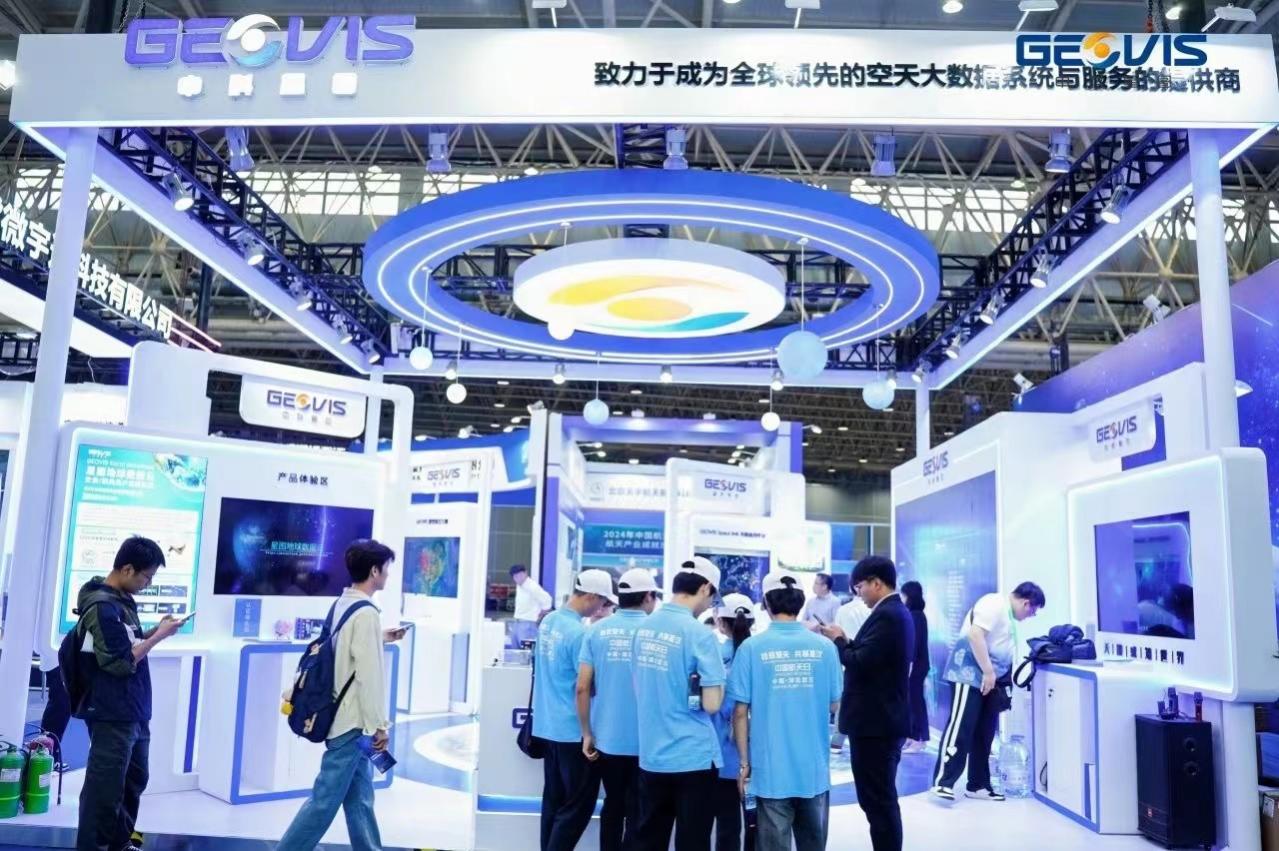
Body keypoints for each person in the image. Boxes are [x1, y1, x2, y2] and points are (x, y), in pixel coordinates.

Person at [278, 539, 407, 851]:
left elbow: (342, 649)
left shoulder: (343, 603)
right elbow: (369, 678)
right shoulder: (367, 614)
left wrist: (380, 637)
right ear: (374, 571)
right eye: (386, 568)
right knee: (324, 801)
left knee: (360, 798)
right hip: (352, 722)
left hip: (343, 717)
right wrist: (380, 726)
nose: (388, 575)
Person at [74, 537, 185, 851]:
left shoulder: (120, 601)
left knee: (134, 779)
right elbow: (120, 661)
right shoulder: (102, 606)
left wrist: (154, 632)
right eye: (146, 577)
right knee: (104, 790)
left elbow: (127, 642)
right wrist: (158, 638)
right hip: (112, 711)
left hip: (132, 708)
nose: (148, 584)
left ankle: (119, 843)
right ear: (126, 569)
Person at [731, 573, 842, 851]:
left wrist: (744, 764)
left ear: (766, 603)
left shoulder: (751, 648)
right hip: (813, 769)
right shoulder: (825, 648)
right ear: (801, 601)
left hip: (770, 769)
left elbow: (740, 713)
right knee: (812, 843)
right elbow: (833, 704)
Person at [820, 556, 914, 851]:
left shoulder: (889, 615)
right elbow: (871, 657)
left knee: (879, 801)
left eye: (860, 586)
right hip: (879, 721)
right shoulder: (891, 613)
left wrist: (839, 640)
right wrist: (846, 641)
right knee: (878, 800)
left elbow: (859, 661)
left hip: (877, 724)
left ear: (876, 583)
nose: (858, 593)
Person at [632, 557, 726, 851]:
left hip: (652, 755)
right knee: (692, 842)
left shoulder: (644, 628)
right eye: (712, 598)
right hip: (693, 757)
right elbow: (712, 704)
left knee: (649, 840)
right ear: (705, 588)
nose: (709, 606)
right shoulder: (699, 634)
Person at [932, 581, 1045, 803]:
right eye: (1033, 611)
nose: (1030, 616)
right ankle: (943, 782)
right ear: (1026, 603)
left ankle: (978, 784)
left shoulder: (1007, 614)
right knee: (961, 726)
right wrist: (988, 671)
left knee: (984, 733)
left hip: (990, 679)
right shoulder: (994, 603)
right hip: (969, 674)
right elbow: (975, 634)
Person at [577, 569, 660, 851]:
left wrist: (586, 733)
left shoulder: (596, 631)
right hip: (647, 740)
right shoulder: (656, 632)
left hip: (606, 738)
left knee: (613, 803)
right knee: (639, 808)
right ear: (648, 596)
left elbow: (582, 687)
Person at [535, 569, 616, 851]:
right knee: (577, 807)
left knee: (553, 802)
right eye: (603, 602)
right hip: (573, 731)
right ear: (591, 596)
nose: (602, 609)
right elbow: (584, 687)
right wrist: (587, 733)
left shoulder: (549, 622)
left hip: (548, 727)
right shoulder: (579, 634)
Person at [710, 593, 756, 851]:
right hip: (757, 754)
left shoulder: (714, 656)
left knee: (727, 825)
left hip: (722, 755)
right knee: (756, 821)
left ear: (720, 622)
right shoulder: (759, 654)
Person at [829, 591, 871, 754]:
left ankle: (837, 742)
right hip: (867, 661)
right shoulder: (872, 610)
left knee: (844, 702)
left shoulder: (843, 610)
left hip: (846, 658)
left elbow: (836, 634)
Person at [900, 581, 931, 754]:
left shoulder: (916, 616)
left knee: (916, 701)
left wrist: (910, 664)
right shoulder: (914, 614)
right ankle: (912, 737)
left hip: (916, 666)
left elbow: (915, 643)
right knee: (911, 701)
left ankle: (919, 739)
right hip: (914, 664)